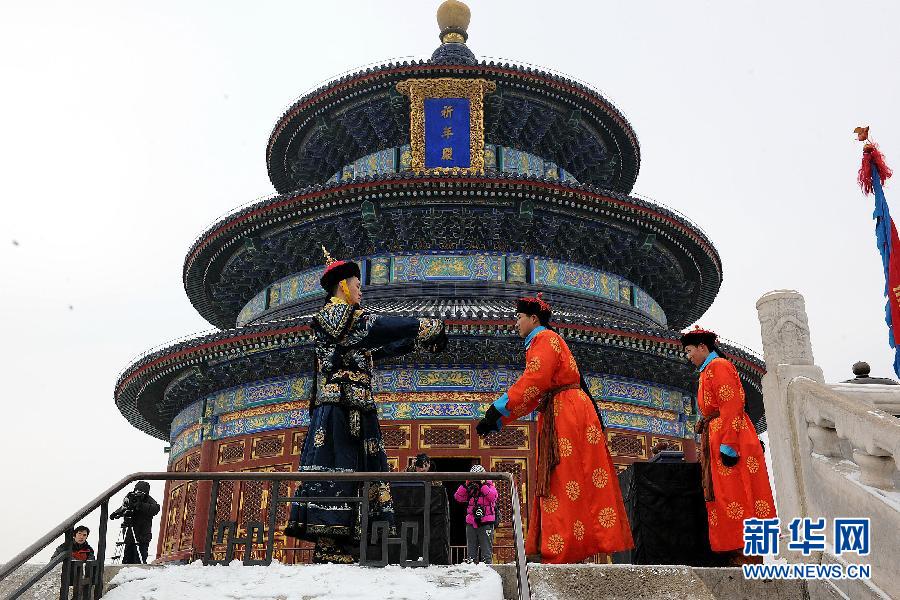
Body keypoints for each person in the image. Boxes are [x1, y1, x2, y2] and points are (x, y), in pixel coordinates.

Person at [285, 248, 448, 563]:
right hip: (337, 410)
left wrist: (417, 342)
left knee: (357, 469)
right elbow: (376, 326)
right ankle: (327, 542)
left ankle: (345, 539)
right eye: (358, 285)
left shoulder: (349, 331)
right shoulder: (333, 316)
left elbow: (379, 347)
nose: (361, 291)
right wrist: (421, 325)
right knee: (336, 467)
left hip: (357, 408)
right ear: (343, 285)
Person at [476, 294, 633, 563]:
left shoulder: (544, 339)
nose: (516, 323)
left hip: (567, 414)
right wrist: (499, 419)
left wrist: (497, 408)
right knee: (567, 479)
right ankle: (568, 546)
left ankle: (563, 549)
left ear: (533, 318)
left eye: (519, 317)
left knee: (564, 478)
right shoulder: (547, 341)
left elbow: (534, 380)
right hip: (564, 411)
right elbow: (536, 394)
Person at [680, 326, 775, 565]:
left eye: (690, 350)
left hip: (729, 438)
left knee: (739, 494)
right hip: (718, 436)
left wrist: (729, 445)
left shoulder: (719, 367)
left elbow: (732, 405)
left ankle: (747, 554)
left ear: (703, 347)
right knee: (727, 495)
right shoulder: (707, 371)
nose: (688, 356)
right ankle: (736, 550)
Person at [453, 464, 498, 564]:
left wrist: (483, 486)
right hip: (471, 522)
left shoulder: (489, 485)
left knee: (486, 553)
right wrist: (466, 485)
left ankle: (488, 574)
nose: (476, 479)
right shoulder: (470, 487)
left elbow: (493, 497)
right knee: (471, 554)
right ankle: (471, 571)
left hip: (486, 522)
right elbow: (458, 497)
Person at [110, 480, 160, 564]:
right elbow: (124, 507)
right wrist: (116, 513)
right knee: (127, 560)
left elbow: (155, 509)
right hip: (129, 535)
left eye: (140, 492)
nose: (138, 493)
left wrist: (140, 505)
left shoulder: (149, 500)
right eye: (136, 491)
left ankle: (139, 575)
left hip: (142, 536)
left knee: (139, 560)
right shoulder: (130, 497)